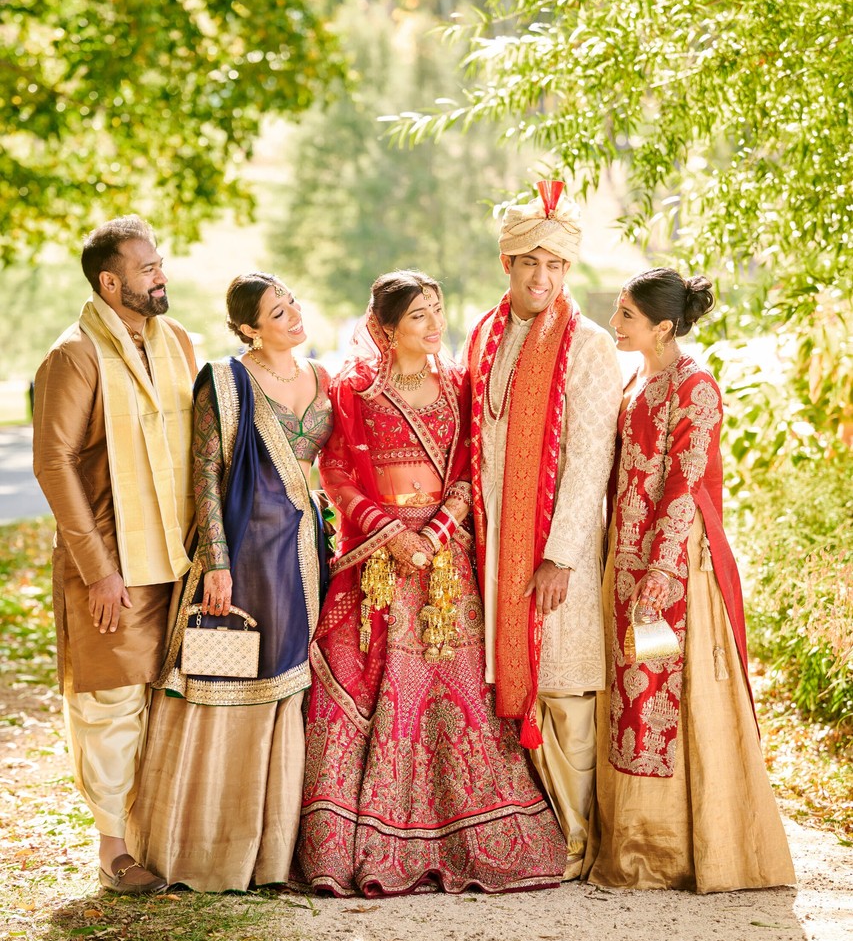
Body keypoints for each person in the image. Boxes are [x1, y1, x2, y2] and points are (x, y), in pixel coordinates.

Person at [294, 269, 567, 896]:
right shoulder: (356, 391)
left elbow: (472, 470)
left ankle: (476, 832)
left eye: (438, 309)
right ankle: (358, 843)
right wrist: (392, 536)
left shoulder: (458, 385)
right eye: (418, 314)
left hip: (446, 565)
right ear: (386, 329)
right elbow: (336, 474)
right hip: (380, 564)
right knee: (373, 681)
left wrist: (436, 533)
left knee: (459, 686)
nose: (434, 324)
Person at [583, 268, 796, 891]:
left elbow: (684, 487)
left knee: (666, 689)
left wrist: (658, 573)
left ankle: (674, 849)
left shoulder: (694, 386)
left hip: (674, 565)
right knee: (631, 688)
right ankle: (629, 841)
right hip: (624, 557)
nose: (616, 324)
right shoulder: (637, 380)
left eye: (627, 316)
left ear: (664, 328)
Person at [126, 273, 331, 891]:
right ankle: (209, 846)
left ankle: (275, 854)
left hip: (304, 553)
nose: (292, 315)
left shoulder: (326, 379)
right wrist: (215, 561)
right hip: (243, 554)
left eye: (292, 302)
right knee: (230, 675)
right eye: (276, 311)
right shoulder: (226, 380)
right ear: (248, 328)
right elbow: (207, 475)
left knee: (288, 685)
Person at [32, 215, 196, 894]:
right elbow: (53, 462)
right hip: (111, 563)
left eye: (159, 263)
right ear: (110, 281)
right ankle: (113, 851)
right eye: (146, 267)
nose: (160, 275)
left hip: (177, 558)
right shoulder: (74, 355)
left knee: (168, 696)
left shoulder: (177, 342)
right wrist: (98, 569)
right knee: (111, 703)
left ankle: (161, 833)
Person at [467, 181, 623, 879]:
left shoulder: (586, 344)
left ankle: (577, 835)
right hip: (498, 541)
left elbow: (591, 455)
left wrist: (559, 555)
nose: (542, 277)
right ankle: (536, 829)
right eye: (530, 262)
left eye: (556, 266)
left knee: (565, 682)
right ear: (506, 264)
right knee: (513, 677)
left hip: (558, 546)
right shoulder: (485, 334)